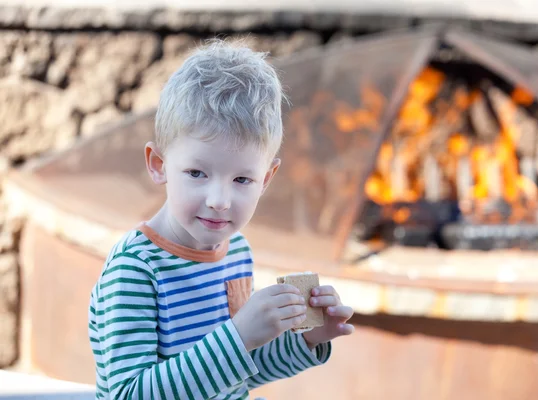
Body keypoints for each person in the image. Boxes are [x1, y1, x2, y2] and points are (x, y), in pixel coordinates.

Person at [87, 38, 355, 400]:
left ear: (266, 179)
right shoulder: (135, 269)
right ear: (159, 165)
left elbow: (236, 373)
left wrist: (307, 340)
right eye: (197, 173)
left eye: (242, 180)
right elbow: (129, 394)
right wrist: (239, 335)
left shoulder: (237, 251)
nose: (219, 201)